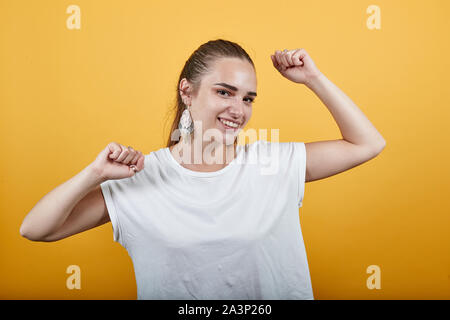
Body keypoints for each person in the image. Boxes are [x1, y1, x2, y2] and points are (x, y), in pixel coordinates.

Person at [20, 39, 386, 300]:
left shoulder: (273, 163)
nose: (238, 110)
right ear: (187, 92)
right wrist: (94, 174)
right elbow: (36, 229)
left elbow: (367, 144)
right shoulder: (140, 176)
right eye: (224, 92)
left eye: (248, 98)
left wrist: (313, 79)